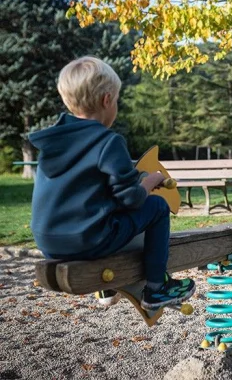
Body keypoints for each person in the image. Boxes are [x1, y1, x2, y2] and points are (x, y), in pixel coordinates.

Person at [29, 56, 195, 311]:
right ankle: (155, 288)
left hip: (49, 243)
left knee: (102, 209)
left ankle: (106, 286)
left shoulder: (54, 142)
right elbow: (131, 198)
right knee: (158, 207)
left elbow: (89, 193)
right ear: (107, 100)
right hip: (88, 240)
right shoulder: (107, 141)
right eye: (116, 100)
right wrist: (150, 181)